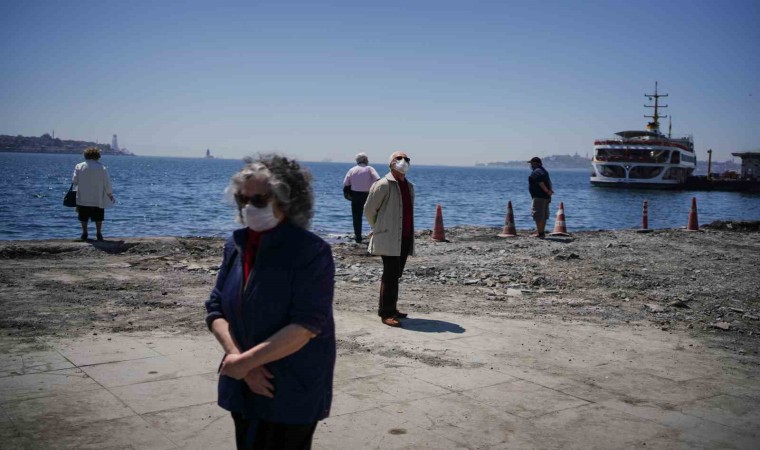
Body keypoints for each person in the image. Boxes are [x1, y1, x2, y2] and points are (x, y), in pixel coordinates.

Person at [205, 154, 336, 450]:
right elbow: (215, 308)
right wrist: (241, 362)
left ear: (287, 200)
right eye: (243, 199)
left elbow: (306, 325)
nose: (249, 207)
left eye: (260, 199)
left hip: (289, 387)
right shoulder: (236, 244)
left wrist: (244, 364)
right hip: (242, 382)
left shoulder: (311, 252)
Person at [364, 151, 414, 327]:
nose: (403, 161)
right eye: (399, 158)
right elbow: (369, 209)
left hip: (405, 236)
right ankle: (386, 313)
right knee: (390, 274)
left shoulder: (409, 186)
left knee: (396, 274)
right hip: (388, 236)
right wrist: (377, 228)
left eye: (406, 159)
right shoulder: (383, 184)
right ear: (391, 163)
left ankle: (391, 308)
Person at [72, 147, 115, 241]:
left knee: (83, 217)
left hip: (83, 196)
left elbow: (75, 181)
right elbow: (107, 183)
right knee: (98, 217)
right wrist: (110, 194)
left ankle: (84, 233)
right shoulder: (102, 168)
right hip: (97, 197)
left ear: (85, 155)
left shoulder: (79, 166)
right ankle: (99, 233)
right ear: (97, 156)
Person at [342, 153, 380, 243]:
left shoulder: (352, 170)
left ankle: (358, 238)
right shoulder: (370, 169)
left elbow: (345, 183)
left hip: (355, 196)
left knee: (356, 217)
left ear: (357, 161)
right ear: (366, 160)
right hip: (368, 195)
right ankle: (375, 235)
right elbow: (378, 179)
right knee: (372, 216)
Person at [528, 156, 554, 238]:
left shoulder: (536, 172)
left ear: (535, 163)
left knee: (538, 215)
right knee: (543, 215)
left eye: (531, 163)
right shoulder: (544, 171)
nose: (531, 165)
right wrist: (549, 191)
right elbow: (549, 182)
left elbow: (541, 183)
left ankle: (540, 233)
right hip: (546, 197)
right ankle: (541, 232)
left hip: (539, 197)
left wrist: (547, 191)